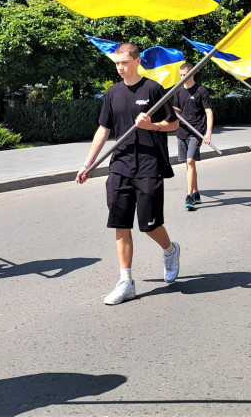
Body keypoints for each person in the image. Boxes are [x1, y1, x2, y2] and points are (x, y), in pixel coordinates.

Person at [75, 42, 181, 305]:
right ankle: (126, 281)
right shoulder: (112, 93)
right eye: (117, 64)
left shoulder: (153, 88)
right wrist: (87, 164)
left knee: (149, 224)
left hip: (149, 163)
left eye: (124, 62)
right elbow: (103, 129)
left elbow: (174, 124)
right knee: (121, 224)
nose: (120, 68)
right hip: (120, 164)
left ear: (136, 61)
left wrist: (152, 125)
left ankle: (170, 250)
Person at [172, 61, 213, 210]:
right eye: (181, 75)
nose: (183, 77)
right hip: (182, 131)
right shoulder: (178, 91)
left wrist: (208, 133)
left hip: (196, 131)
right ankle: (196, 193)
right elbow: (177, 110)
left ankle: (188, 196)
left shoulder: (201, 91)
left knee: (190, 161)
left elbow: (208, 112)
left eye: (185, 75)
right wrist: (169, 109)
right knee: (189, 165)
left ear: (192, 73)